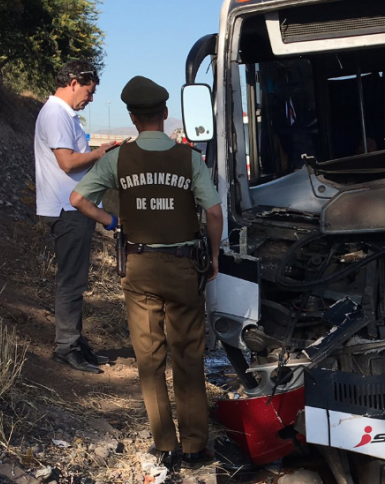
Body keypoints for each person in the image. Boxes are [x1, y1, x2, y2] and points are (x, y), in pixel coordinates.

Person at [70, 75, 222, 469]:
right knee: (189, 357)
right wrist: (216, 256)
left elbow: (77, 198)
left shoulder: (117, 159)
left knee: (150, 360)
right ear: (165, 114)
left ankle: (165, 444)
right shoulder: (189, 159)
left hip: (138, 267)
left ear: (134, 119)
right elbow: (214, 211)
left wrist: (111, 221)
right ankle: (194, 447)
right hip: (184, 266)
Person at [34, 60, 113, 374]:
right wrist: (100, 153)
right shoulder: (55, 113)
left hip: (72, 208)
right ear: (74, 81)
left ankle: (75, 343)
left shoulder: (64, 115)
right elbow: (67, 162)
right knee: (71, 281)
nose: (90, 99)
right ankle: (66, 348)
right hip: (67, 209)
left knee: (76, 280)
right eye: (89, 92)